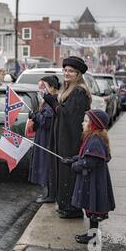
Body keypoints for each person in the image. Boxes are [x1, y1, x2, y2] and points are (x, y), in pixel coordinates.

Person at [44, 56, 92, 219]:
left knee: (68, 172)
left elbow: (69, 116)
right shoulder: (68, 89)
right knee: (62, 171)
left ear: (78, 74)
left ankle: (72, 208)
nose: (67, 73)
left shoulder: (79, 91)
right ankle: (64, 204)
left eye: (71, 71)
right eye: (65, 70)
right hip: (64, 138)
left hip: (71, 140)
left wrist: (53, 103)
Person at [61, 109, 115, 244]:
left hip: (94, 180)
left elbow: (89, 162)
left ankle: (93, 236)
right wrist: (73, 159)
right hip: (93, 179)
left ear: (94, 125)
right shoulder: (93, 137)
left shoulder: (95, 140)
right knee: (92, 206)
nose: (82, 123)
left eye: (86, 121)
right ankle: (92, 234)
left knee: (94, 206)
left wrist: (74, 166)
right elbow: (85, 156)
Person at [28, 75, 60, 203]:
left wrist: (35, 116)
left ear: (52, 87)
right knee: (43, 165)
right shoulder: (46, 102)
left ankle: (50, 195)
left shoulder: (53, 101)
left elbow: (46, 121)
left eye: (44, 87)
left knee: (46, 166)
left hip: (47, 140)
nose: (41, 90)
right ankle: (47, 193)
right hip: (42, 138)